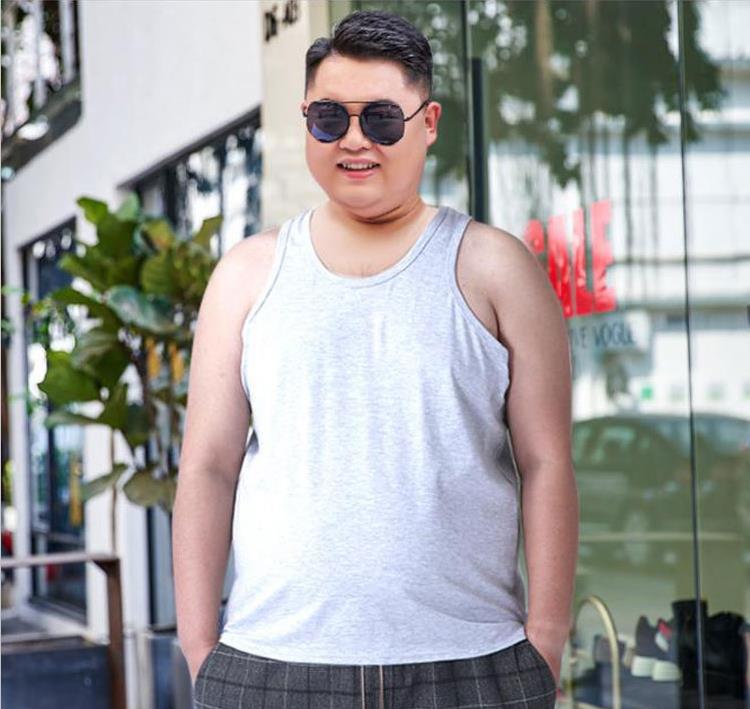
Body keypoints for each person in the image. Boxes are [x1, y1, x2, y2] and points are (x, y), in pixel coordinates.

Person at [173, 9, 578, 709]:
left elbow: (546, 460)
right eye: (330, 118)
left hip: (471, 663)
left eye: (382, 119)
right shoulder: (245, 275)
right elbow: (208, 465)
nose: (355, 140)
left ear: (428, 122)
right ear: (306, 121)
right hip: (271, 663)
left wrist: (545, 638)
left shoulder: (494, 266)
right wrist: (199, 645)